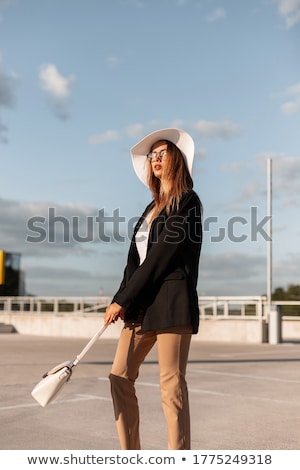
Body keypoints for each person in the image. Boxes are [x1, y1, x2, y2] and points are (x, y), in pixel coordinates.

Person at [104, 128, 203, 450]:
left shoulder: (188, 202)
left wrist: (123, 299)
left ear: (176, 160)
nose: (156, 159)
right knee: (119, 377)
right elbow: (134, 263)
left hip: (172, 303)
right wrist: (120, 300)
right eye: (152, 155)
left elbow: (162, 257)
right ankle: (131, 454)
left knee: (170, 385)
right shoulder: (148, 211)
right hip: (140, 308)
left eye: (162, 153)